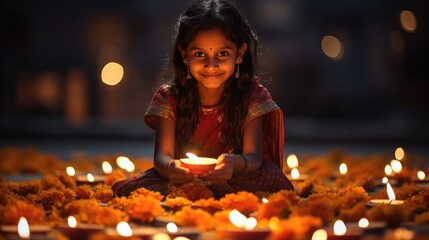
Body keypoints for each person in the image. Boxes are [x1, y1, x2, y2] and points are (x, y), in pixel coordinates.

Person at [113, 0, 293, 198]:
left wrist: (235, 164)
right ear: (184, 54)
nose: (211, 65)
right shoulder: (170, 97)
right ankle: (204, 193)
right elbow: (162, 157)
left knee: (275, 180)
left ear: (239, 53)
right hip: (184, 179)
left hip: (232, 177)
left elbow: (254, 158)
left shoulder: (251, 96)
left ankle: (204, 193)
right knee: (137, 188)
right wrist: (173, 168)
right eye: (200, 54)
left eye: (223, 54)